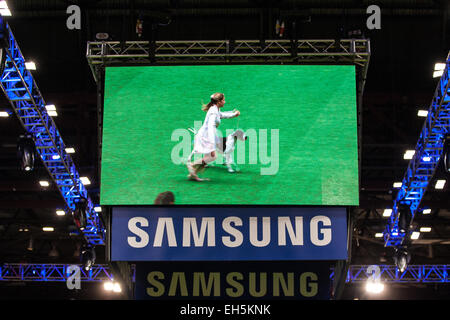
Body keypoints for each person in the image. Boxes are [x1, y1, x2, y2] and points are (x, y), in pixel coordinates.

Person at [187, 93, 240, 180]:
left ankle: (193, 174)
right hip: (206, 137)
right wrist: (212, 142)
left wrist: (234, 114)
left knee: (209, 157)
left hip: (207, 136)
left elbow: (222, 115)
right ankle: (192, 166)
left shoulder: (215, 109)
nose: (224, 102)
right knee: (212, 157)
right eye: (223, 100)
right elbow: (211, 127)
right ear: (218, 102)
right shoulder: (213, 112)